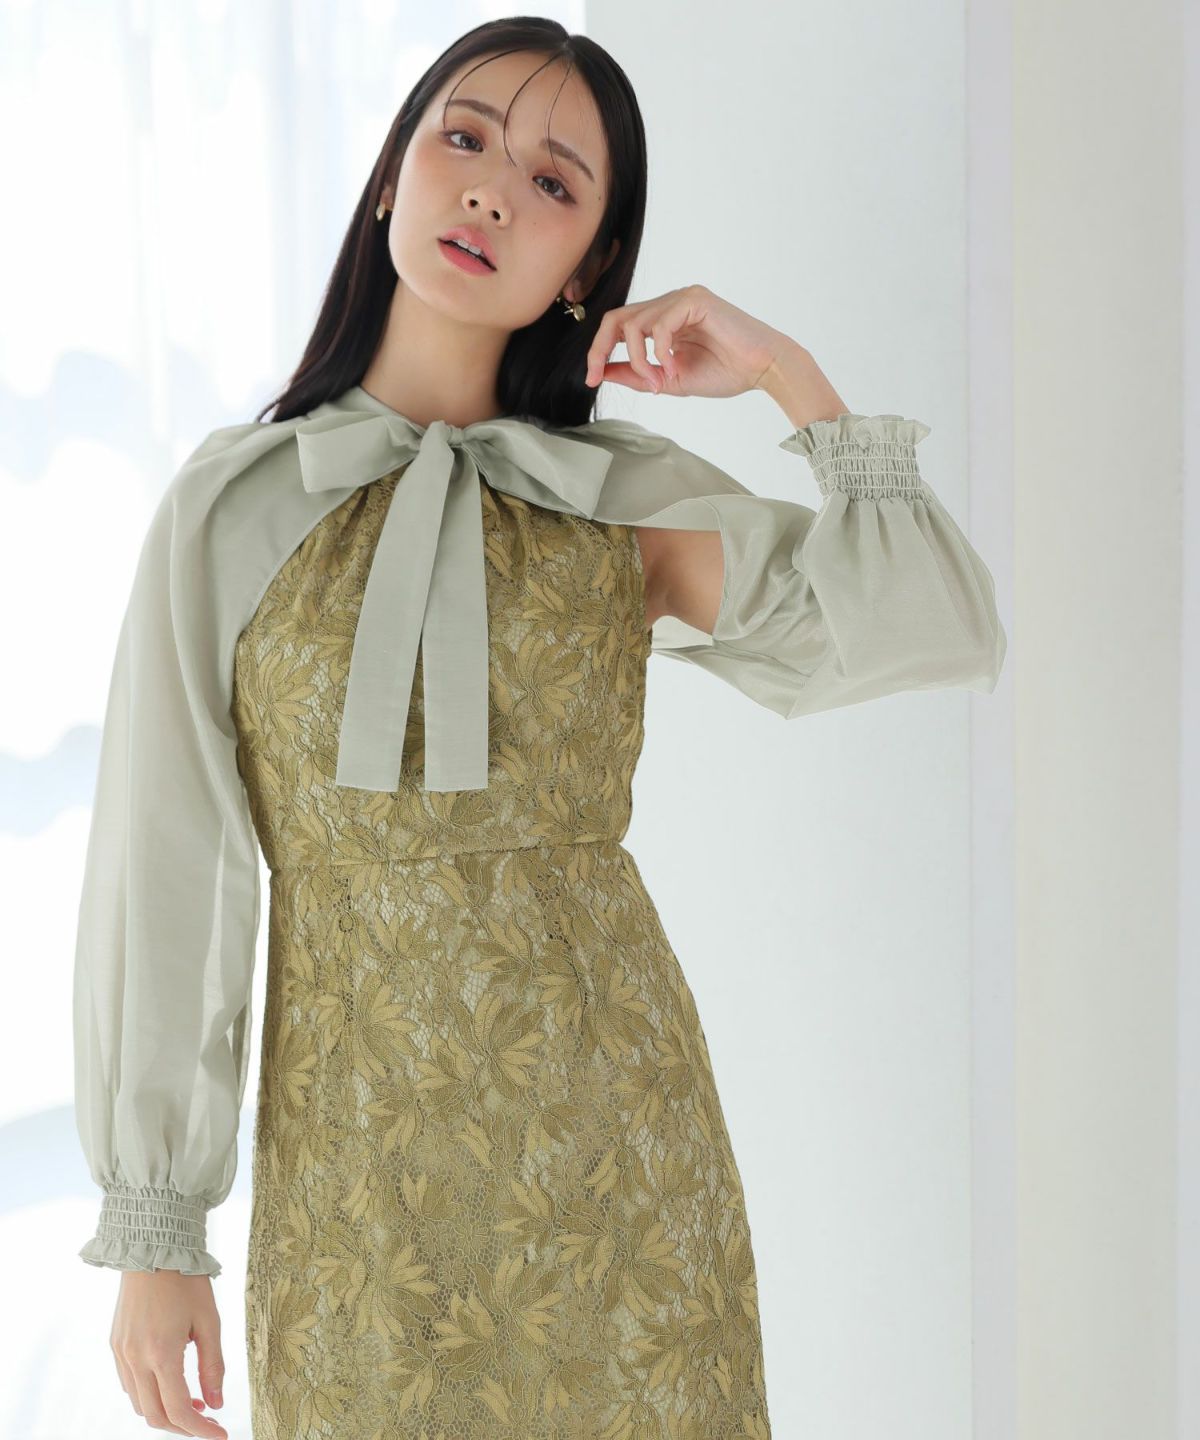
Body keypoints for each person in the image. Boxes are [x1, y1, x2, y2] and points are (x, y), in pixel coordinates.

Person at [72, 18, 1007, 1440]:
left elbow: (939, 624)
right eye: (464, 138)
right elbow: (167, 866)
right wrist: (158, 1230)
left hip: (622, 1171)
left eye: (554, 182)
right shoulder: (236, 506)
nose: (493, 191)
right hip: (358, 1193)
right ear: (391, 177)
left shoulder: (615, 500)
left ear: (588, 268)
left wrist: (785, 372)